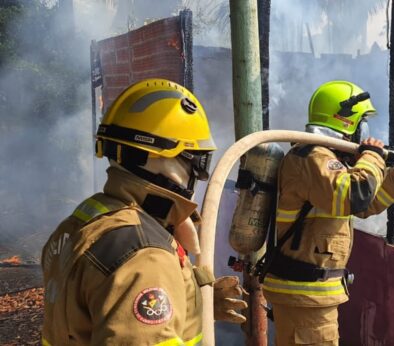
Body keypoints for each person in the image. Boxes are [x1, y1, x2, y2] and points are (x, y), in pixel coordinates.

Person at [41, 79, 247, 345]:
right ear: (156, 158)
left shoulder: (81, 222)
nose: (199, 175)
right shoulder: (145, 256)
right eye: (197, 161)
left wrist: (190, 299)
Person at [262, 80, 394, 345]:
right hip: (306, 293)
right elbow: (354, 196)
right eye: (363, 122)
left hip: (311, 294)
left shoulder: (326, 161)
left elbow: (366, 204)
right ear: (346, 121)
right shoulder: (312, 157)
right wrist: (372, 157)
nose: (365, 131)